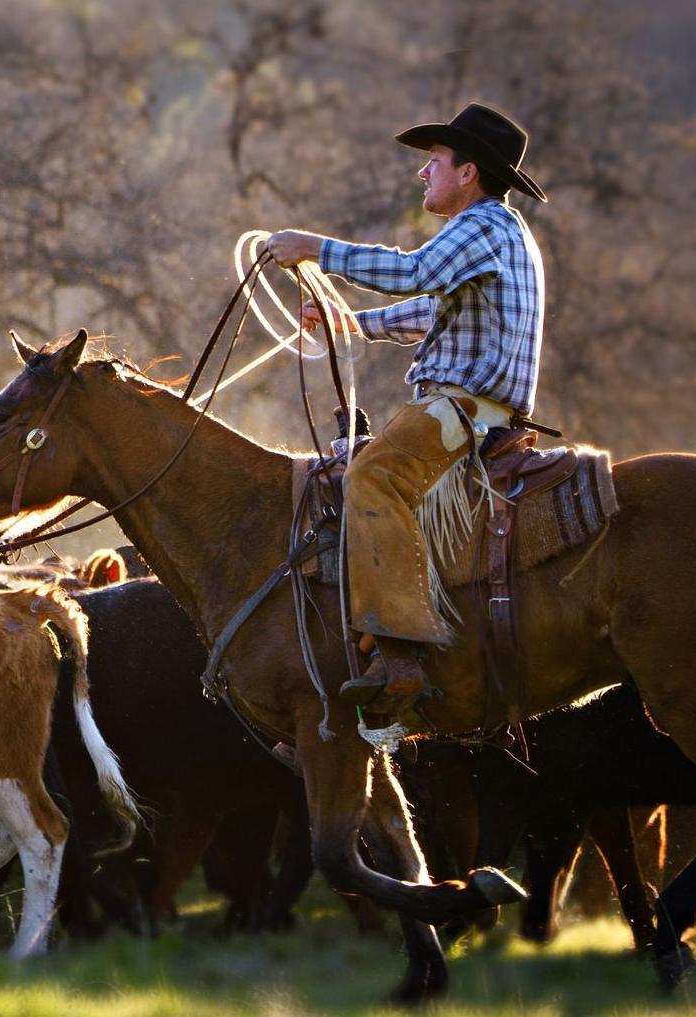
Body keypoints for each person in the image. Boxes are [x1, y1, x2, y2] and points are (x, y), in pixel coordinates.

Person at [264, 102, 547, 710]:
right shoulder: (496, 234)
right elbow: (434, 309)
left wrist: (315, 248)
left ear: (468, 173)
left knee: (373, 473)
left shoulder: (482, 227)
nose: (423, 173)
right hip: (475, 410)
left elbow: (412, 273)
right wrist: (351, 324)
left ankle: (399, 651)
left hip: (464, 411)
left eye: (435, 161)